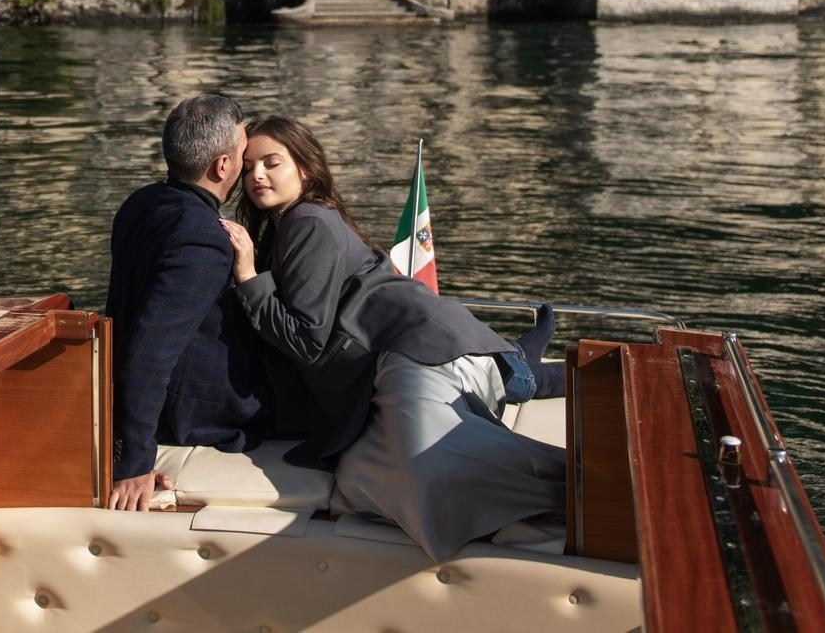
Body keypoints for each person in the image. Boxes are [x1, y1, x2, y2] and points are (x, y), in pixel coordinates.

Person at [219, 115, 565, 562]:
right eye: (248, 167)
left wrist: (248, 277)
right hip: (396, 343)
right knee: (376, 458)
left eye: (271, 162)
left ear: (305, 167)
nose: (257, 175)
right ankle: (517, 361)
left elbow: (306, 340)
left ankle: (573, 478)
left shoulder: (308, 223)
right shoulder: (288, 224)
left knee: (424, 462)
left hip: (409, 342)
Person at [104, 94, 269, 511]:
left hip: (154, 401)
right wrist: (134, 461)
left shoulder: (140, 203)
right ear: (223, 166)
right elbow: (150, 351)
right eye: (243, 153)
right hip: (193, 416)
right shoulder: (203, 239)